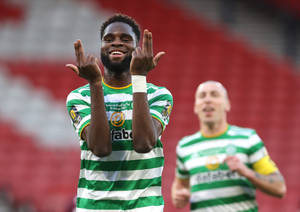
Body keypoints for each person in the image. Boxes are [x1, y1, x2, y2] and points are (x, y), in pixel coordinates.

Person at [66, 14, 173, 212]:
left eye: (125, 39)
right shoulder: (79, 97)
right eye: (109, 39)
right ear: (101, 48)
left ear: (138, 48)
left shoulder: (159, 95)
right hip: (95, 207)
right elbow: (100, 148)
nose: (116, 43)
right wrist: (95, 84)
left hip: (144, 207)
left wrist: (139, 77)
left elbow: (144, 144)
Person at [171, 81, 286, 211]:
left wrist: (246, 172)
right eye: (202, 96)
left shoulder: (248, 139)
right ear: (195, 107)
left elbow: (279, 187)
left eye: (214, 95)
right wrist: (179, 196)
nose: (207, 100)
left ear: (227, 104)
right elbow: (180, 187)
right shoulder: (185, 146)